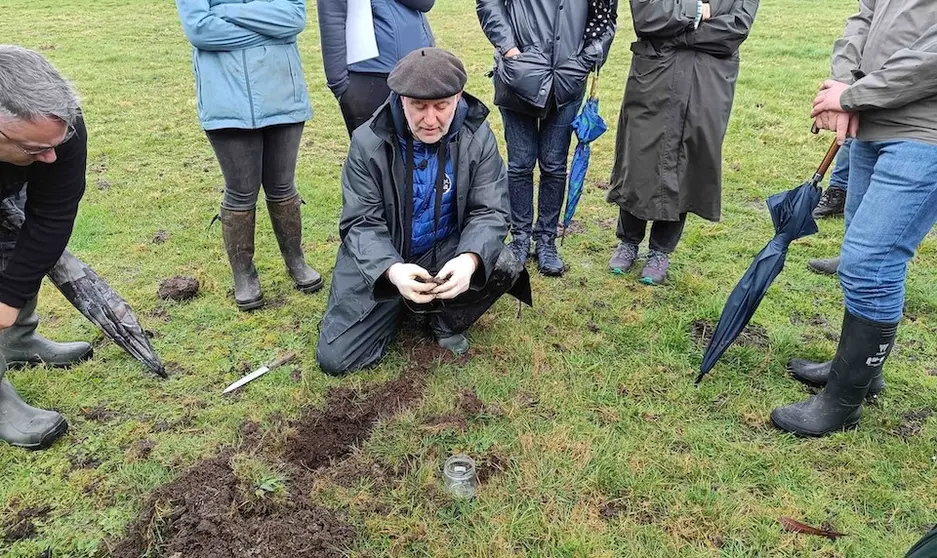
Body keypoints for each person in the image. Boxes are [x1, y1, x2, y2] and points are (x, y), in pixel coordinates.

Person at [772, 0, 937, 437]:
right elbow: (863, 17)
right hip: (871, 122)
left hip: (925, 132)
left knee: (871, 263)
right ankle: (861, 371)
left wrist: (852, 96)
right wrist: (845, 82)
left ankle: (843, 402)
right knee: (862, 257)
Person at [316, 48, 530, 376]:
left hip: (445, 250)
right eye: (419, 106)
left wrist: (470, 259)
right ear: (402, 100)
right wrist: (391, 271)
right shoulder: (367, 142)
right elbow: (360, 221)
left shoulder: (478, 136)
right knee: (336, 359)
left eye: (441, 106)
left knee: (503, 263)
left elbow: (491, 211)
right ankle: (400, 304)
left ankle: (443, 320)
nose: (430, 120)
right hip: (388, 257)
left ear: (458, 97)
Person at [175, 0, 321, 311]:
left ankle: (296, 260)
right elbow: (200, 30)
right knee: (241, 191)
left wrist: (227, 12)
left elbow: (293, 18)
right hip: (226, 101)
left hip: (283, 93)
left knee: (283, 186)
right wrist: (268, 32)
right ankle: (243, 274)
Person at [605, 0, 758, 285]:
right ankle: (628, 241)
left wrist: (676, 32)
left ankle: (661, 250)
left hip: (706, 81)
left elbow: (736, 28)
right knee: (640, 156)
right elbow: (647, 15)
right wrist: (698, 13)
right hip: (656, 75)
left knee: (688, 162)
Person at [476, 0, 618, 277]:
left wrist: (584, 60)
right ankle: (520, 237)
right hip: (518, 76)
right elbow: (489, 4)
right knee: (520, 163)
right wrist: (510, 50)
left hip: (567, 79)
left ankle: (546, 239)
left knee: (554, 164)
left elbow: (606, 17)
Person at [0, 45, 91, 449]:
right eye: (36, 150)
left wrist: (11, 297)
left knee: (17, 243)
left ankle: (18, 339)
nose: (52, 157)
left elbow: (53, 214)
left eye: (57, 142)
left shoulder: (59, 123)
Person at [317, 0, 435, 137]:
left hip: (416, 69)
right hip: (367, 78)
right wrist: (340, 85)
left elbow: (425, 3)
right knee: (372, 146)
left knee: (419, 145)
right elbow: (332, 18)